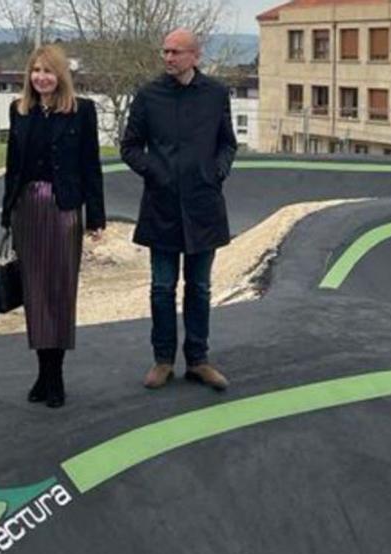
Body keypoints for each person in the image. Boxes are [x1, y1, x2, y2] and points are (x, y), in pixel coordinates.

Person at [120, 28, 237, 392]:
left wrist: (216, 173)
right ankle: (163, 360)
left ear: (195, 56)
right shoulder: (148, 96)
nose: (168, 58)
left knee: (199, 288)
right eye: (165, 51)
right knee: (162, 287)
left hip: (204, 207)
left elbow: (227, 144)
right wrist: (155, 172)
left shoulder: (216, 94)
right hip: (162, 207)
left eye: (176, 52)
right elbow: (129, 146)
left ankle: (198, 360)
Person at [1, 44, 105, 408]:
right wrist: (6, 213)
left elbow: (91, 164)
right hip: (27, 208)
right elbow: (13, 165)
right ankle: (41, 372)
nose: (41, 77)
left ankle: (56, 374)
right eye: (35, 71)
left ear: (61, 75)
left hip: (64, 209)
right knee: (34, 292)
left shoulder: (82, 111)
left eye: (48, 71)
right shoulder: (20, 111)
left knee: (60, 290)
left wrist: (97, 216)